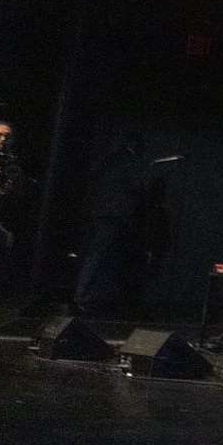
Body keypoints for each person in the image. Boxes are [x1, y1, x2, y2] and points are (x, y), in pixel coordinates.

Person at [74, 133, 148, 316]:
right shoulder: (130, 160)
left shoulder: (111, 159)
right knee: (100, 256)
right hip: (115, 215)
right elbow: (135, 186)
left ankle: (92, 295)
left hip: (101, 213)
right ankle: (84, 295)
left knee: (98, 255)